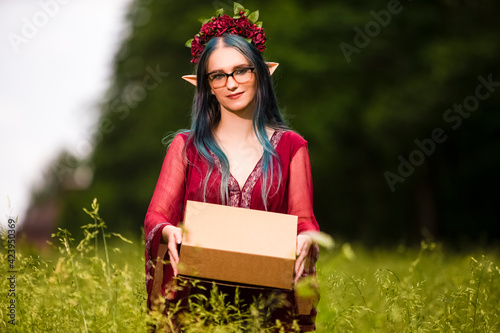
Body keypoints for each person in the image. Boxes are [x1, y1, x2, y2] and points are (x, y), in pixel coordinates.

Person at [144, 4, 320, 332]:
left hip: (269, 304)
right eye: (219, 75)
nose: (232, 83)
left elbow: (304, 219)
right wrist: (169, 231)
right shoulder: (186, 147)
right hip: (197, 303)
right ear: (208, 85)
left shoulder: (292, 147)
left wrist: (307, 238)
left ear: (259, 74)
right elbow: (156, 216)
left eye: (241, 70)